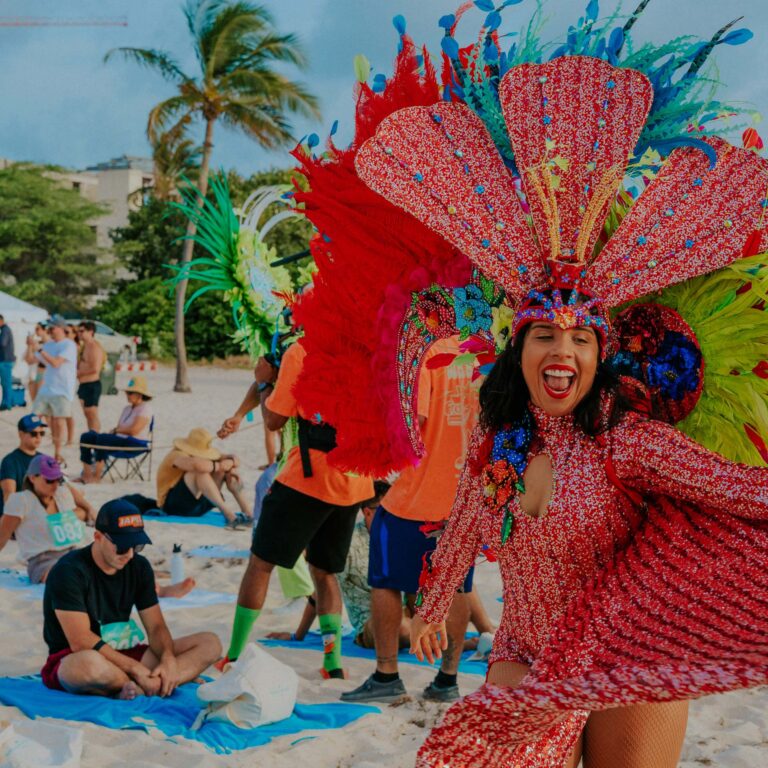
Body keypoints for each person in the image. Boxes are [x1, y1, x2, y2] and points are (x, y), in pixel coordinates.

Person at [217, 343, 374, 678]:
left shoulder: (302, 350)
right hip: (355, 480)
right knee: (324, 571)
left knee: (260, 564)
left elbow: (274, 419)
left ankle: (233, 654)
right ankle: (332, 663)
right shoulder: (365, 347)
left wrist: (263, 383)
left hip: (310, 477)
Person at [340, 337, 479, 704]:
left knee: (385, 582)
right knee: (458, 587)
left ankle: (387, 676)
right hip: (463, 499)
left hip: (413, 498)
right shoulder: (483, 349)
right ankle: (447, 680)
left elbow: (412, 424)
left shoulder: (427, 353)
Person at [40, 498, 221, 698]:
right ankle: (152, 684)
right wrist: (135, 669)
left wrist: (168, 659)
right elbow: (80, 640)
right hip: (76, 656)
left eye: (136, 546)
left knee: (210, 643)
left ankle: (148, 684)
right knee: (87, 665)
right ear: (98, 537)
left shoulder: (139, 566)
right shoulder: (68, 571)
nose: (129, 555)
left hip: (126, 651)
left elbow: (156, 627)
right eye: (121, 547)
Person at [0, 455, 95, 583]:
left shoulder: (61, 493)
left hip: (74, 551)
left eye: (58, 479)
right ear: (32, 478)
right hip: (44, 560)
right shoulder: (21, 501)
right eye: (49, 480)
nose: (55, 485)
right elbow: (2, 537)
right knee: (69, 576)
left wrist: (81, 512)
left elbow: (84, 511)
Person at [155, 427, 252, 528]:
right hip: (172, 506)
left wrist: (229, 463)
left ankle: (248, 513)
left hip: (197, 505)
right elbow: (197, 466)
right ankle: (229, 515)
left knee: (228, 470)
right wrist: (219, 466)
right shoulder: (176, 454)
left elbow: (235, 459)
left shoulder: (202, 456)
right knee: (200, 472)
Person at [78, 376, 153, 483]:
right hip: (120, 439)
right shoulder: (127, 409)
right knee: (87, 436)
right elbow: (120, 428)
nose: (127, 395)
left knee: (103, 439)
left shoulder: (145, 409)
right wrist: (116, 431)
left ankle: (97, 476)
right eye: (127, 392)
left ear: (139, 395)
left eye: (130, 393)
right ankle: (87, 474)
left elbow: (134, 431)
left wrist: (116, 431)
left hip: (135, 443)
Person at [30, 316, 77, 463]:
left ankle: (58, 452)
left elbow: (56, 363)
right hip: (47, 388)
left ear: (61, 328)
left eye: (53, 327)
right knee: (33, 418)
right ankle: (31, 447)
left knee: (59, 421)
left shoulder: (68, 345)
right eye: (49, 328)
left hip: (62, 390)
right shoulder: (49, 345)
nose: (50, 330)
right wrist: (30, 346)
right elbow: (32, 360)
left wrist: (40, 349)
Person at [76, 321, 105, 432]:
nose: (79, 333)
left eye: (82, 331)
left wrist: (79, 373)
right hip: (83, 384)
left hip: (92, 384)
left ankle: (95, 436)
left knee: (92, 414)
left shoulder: (95, 347)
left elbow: (95, 369)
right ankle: (91, 434)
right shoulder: (84, 346)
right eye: (78, 331)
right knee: (87, 414)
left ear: (90, 332)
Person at [25, 323, 49, 402]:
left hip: (44, 374)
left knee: (40, 400)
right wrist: (30, 345)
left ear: (45, 330)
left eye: (38, 329)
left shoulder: (50, 344)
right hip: (37, 373)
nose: (36, 331)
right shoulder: (38, 344)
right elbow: (29, 360)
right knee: (35, 401)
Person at [0, 314, 15, 411]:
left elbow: (3, 343)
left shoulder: (5, 330)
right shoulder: (5, 329)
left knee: (6, 383)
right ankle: (7, 402)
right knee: (5, 383)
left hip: (5, 361)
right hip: (6, 360)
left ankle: (7, 404)